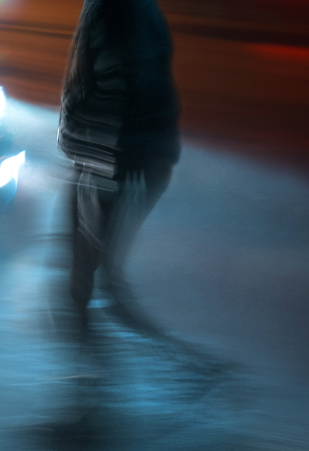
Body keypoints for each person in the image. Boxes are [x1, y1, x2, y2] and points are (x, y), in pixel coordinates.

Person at [58, 0, 183, 353]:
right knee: (94, 249)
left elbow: (129, 77)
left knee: (90, 248)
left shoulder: (122, 8)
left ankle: (87, 340)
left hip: (115, 148)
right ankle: (87, 331)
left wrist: (107, 155)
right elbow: (130, 76)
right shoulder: (129, 8)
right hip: (122, 147)